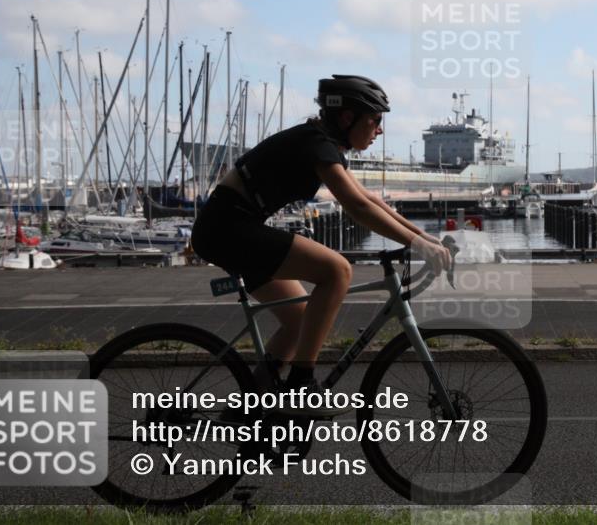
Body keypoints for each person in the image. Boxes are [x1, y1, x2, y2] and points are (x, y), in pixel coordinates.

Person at [190, 75, 450, 414]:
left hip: (231, 228)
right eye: (375, 120)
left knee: (299, 322)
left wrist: (425, 239)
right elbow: (356, 207)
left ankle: (249, 411)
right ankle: (302, 385)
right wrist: (418, 244)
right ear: (347, 118)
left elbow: (367, 198)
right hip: (229, 228)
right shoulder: (316, 143)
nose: (380, 130)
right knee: (336, 270)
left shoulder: (322, 143)